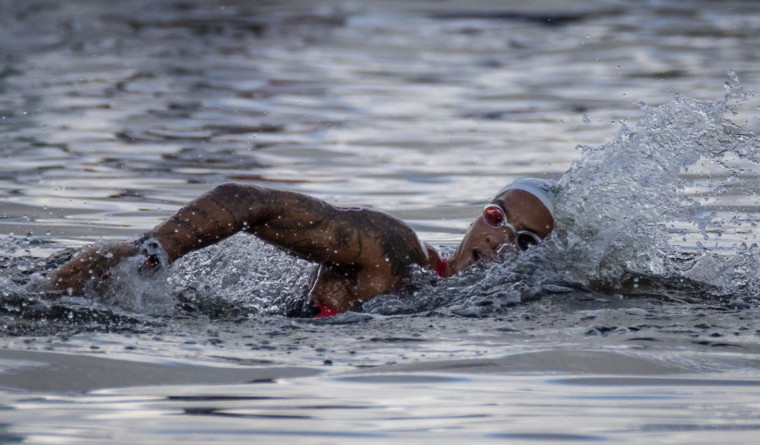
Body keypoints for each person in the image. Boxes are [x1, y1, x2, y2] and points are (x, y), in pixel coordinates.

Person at [46, 178, 556, 317]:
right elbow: (246, 199)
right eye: (497, 218)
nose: (501, 241)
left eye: (526, 241)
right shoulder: (394, 248)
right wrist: (153, 257)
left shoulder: (488, 309)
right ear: (478, 216)